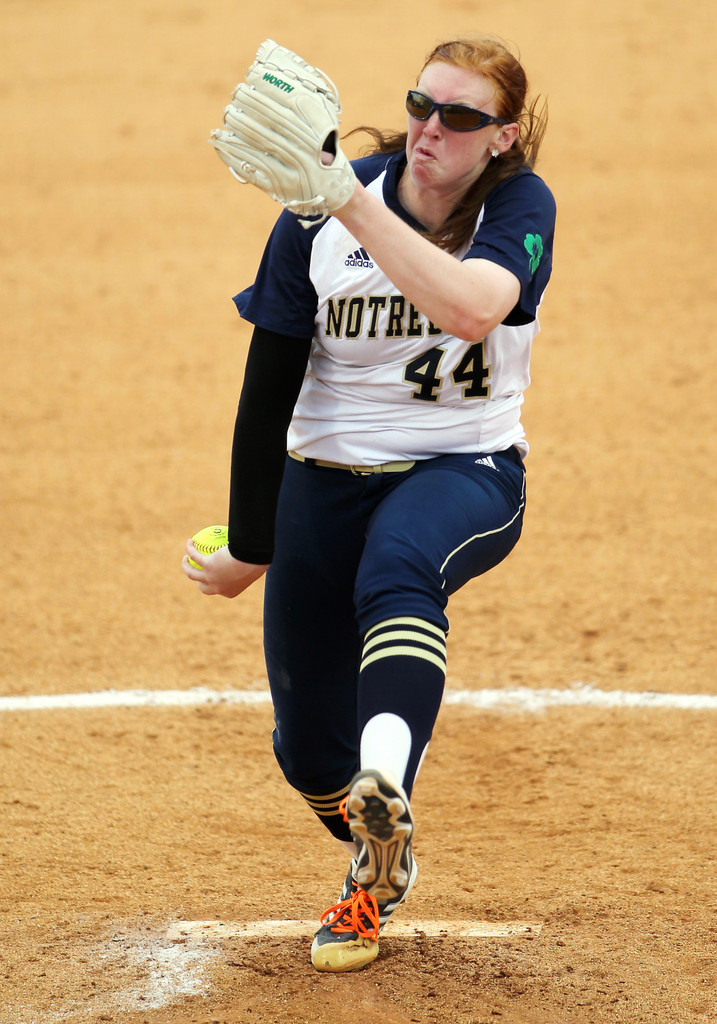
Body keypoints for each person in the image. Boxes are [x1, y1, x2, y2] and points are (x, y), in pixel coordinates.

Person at [183, 36, 556, 972]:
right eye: (421, 106)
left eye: (461, 117)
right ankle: (376, 851)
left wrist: (347, 199)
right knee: (308, 751)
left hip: (461, 471)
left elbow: (473, 308)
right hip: (323, 482)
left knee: (399, 569)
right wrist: (255, 544)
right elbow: (266, 387)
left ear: (500, 137)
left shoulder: (516, 206)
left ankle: (385, 781)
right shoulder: (313, 218)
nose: (432, 128)